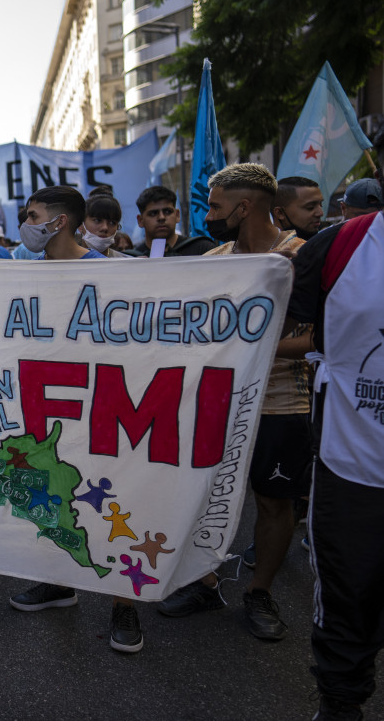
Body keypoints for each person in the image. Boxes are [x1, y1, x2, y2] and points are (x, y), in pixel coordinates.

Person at [157, 164, 310, 641]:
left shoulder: (301, 257)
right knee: (204, 492)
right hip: (219, 400)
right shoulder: (217, 258)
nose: (208, 214)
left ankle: (259, 591)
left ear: (244, 207)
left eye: (216, 206)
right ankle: (204, 582)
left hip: (282, 402)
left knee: (273, 501)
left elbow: (314, 338)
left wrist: (252, 346)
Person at [6, 188, 148, 653]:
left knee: (117, 507)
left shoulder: (116, 273)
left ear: (60, 221)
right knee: (52, 498)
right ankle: (59, 583)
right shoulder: (17, 272)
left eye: (33, 216)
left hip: (104, 408)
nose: (26, 223)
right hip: (46, 412)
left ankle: (124, 605)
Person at [283, 197, 382, 721]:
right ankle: (341, 705)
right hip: (355, 470)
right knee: (350, 598)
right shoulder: (339, 246)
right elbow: (277, 319)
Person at [125, 186, 215, 257]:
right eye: (153, 213)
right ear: (140, 220)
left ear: (177, 215)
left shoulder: (203, 250)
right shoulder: (130, 259)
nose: (161, 217)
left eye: (167, 211)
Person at [273, 176, 325, 240]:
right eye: (310, 207)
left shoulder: (327, 243)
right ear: (280, 213)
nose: (321, 213)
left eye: (321, 204)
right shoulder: (262, 248)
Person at [81, 194, 132, 258]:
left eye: (112, 222)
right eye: (97, 220)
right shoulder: (67, 263)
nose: (105, 228)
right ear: (80, 225)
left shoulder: (127, 264)